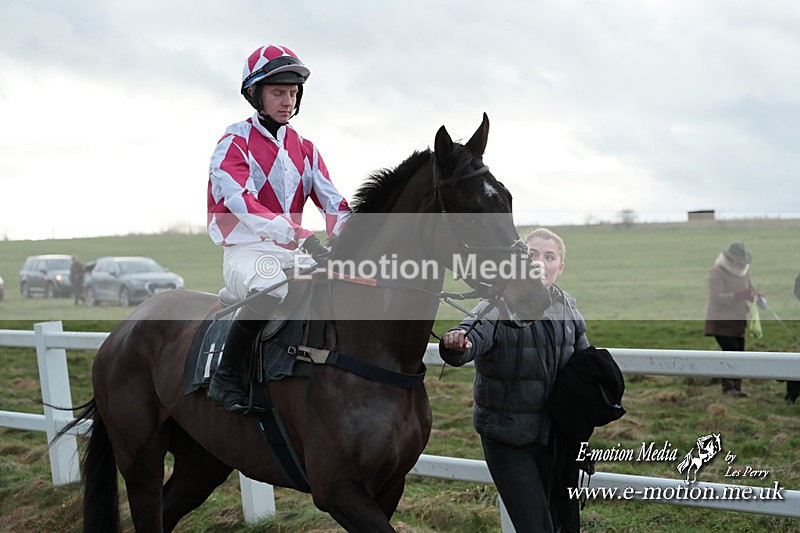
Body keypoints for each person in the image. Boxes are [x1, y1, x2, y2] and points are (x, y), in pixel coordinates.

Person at [206, 43, 351, 413]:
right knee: (271, 289)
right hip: (247, 252)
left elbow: (333, 202)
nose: (287, 101)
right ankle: (225, 377)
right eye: (277, 92)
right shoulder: (233, 144)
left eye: (292, 92)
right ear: (255, 94)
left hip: (296, 253)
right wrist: (301, 235)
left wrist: (354, 236)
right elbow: (245, 206)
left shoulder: (305, 148)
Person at [439, 228, 589, 533]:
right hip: (508, 440)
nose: (539, 262)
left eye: (550, 257)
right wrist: (456, 345)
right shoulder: (497, 305)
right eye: (531, 255)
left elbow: (584, 364)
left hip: (557, 440)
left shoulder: (568, 307)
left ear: (560, 267)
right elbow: (470, 338)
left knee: (564, 525)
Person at [704, 242, 761, 398]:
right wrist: (740, 295)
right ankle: (728, 389)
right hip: (721, 322)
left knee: (740, 354)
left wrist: (756, 297)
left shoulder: (744, 273)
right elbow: (717, 299)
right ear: (730, 259)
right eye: (739, 261)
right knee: (730, 353)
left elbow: (750, 290)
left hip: (738, 322)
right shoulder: (716, 273)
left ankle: (737, 388)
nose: (742, 264)